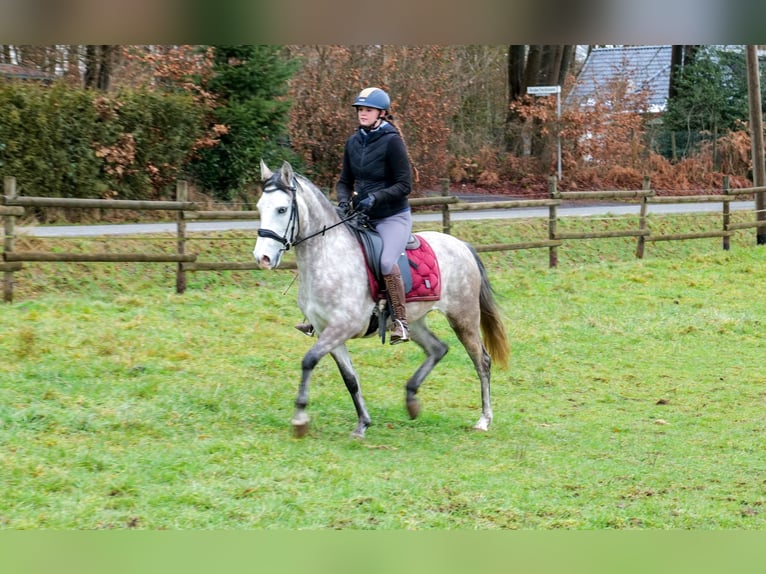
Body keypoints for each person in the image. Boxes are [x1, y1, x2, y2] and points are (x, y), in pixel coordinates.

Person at [296, 86, 414, 344]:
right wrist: (342, 200)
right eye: (360, 109)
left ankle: (401, 322)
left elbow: (405, 185)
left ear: (381, 113)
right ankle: (317, 315)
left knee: (384, 263)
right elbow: (344, 181)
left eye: (368, 110)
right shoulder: (353, 141)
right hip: (361, 215)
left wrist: (376, 198)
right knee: (330, 250)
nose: (362, 113)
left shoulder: (392, 141)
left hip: (392, 217)